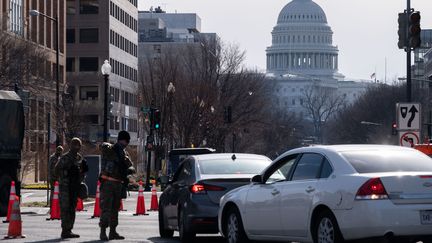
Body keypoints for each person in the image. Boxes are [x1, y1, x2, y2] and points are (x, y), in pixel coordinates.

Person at [99, 131, 136, 241]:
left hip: (118, 183)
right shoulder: (111, 150)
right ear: (122, 139)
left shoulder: (124, 153)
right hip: (108, 183)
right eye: (126, 141)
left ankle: (113, 232)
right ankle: (103, 232)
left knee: (115, 209)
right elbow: (103, 146)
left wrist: (128, 170)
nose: (127, 143)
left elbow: (131, 167)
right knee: (106, 208)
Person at [55, 138, 88, 239]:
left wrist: (83, 172)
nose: (76, 147)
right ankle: (65, 230)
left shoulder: (79, 158)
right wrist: (67, 173)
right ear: (71, 146)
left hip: (75, 186)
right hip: (65, 186)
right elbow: (56, 170)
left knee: (72, 208)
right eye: (74, 145)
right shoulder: (65, 158)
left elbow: (81, 173)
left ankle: (69, 229)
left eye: (78, 145)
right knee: (65, 208)